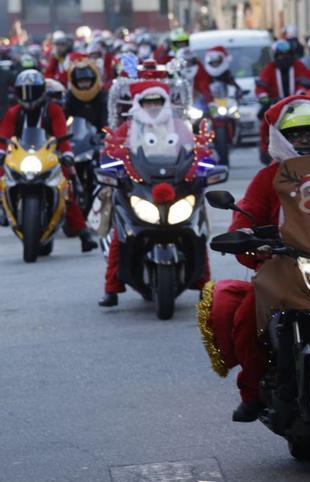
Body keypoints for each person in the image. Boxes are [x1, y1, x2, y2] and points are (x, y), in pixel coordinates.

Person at [211, 94, 310, 419]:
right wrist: (251, 244)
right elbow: (246, 217)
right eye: (296, 135)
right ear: (282, 138)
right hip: (283, 265)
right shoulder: (267, 177)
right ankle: (254, 392)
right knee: (244, 318)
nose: (305, 141)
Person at [99, 81, 201, 306]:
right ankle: (111, 288)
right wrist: (112, 168)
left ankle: (205, 284)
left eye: (158, 101)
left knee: (198, 229)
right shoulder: (127, 128)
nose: (153, 106)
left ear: (166, 102)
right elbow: (109, 153)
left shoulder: (180, 126)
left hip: (176, 186)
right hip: (138, 187)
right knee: (121, 233)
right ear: (139, 103)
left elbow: (198, 151)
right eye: (148, 102)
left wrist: (203, 168)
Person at [0, 69, 96, 251]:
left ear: (42, 91)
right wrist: (1, 151)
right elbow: (4, 134)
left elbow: (62, 134)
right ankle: (3, 210)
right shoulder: (14, 112)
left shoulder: (53, 109)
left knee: (67, 187)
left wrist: (67, 153)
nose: (28, 97)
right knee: (2, 174)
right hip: (20, 155)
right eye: (24, 92)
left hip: (50, 154)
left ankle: (84, 233)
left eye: (33, 92)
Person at [255, 40, 310, 163]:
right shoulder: (270, 68)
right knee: (265, 124)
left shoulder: (298, 66)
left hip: (298, 104)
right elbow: (262, 85)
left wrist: (300, 93)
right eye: (280, 56)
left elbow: (305, 81)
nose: (283, 59)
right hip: (275, 105)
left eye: (286, 56)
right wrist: (263, 96)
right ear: (275, 57)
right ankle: (264, 150)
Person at [64, 56, 108, 131]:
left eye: (87, 81)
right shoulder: (70, 97)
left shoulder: (102, 96)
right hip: (76, 136)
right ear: (75, 82)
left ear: (93, 80)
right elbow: (65, 118)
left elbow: (106, 120)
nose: (84, 84)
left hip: (99, 137)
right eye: (80, 81)